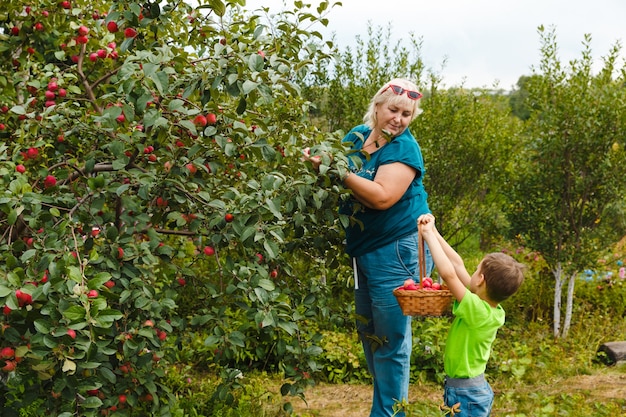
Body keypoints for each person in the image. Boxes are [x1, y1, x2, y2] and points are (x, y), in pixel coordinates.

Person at [306, 78, 433, 417]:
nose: (399, 119)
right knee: (370, 334)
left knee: (390, 341)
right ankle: (388, 410)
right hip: (364, 249)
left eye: (407, 114)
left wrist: (334, 169)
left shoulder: (404, 148)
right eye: (393, 109)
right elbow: (331, 176)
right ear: (377, 106)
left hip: (397, 249)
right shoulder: (356, 137)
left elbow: (381, 197)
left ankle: (389, 414)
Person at [417, 213, 525, 416]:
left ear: (481, 280)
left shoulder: (476, 310)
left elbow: (449, 274)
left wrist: (429, 237)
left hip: (465, 393)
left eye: (475, 270)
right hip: (469, 389)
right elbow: (457, 264)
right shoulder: (489, 308)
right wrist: (434, 231)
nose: (471, 272)